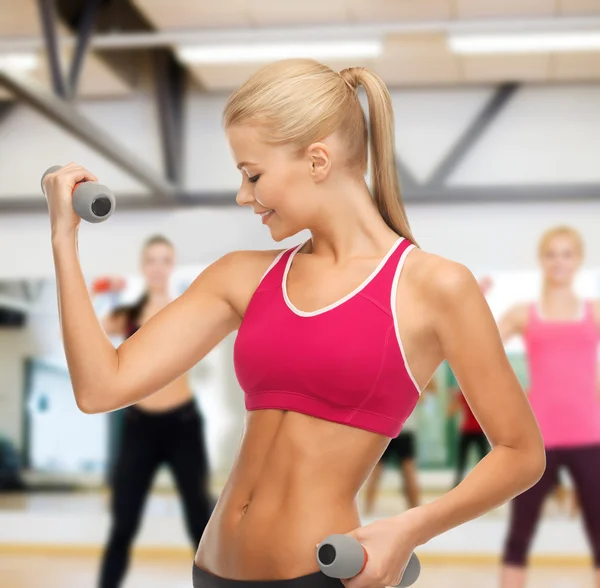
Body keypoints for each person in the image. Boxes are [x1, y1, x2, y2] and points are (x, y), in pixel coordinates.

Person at [43, 59, 545, 588]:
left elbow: (520, 452)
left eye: (252, 174)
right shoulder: (241, 277)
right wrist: (63, 240)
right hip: (211, 573)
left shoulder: (432, 288)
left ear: (318, 160)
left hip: (317, 576)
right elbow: (101, 387)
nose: (243, 195)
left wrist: (409, 529)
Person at [482, 226, 600, 588]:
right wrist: (475, 299)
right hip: (539, 439)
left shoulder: (594, 311)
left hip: (589, 436)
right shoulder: (523, 314)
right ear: (542, 260)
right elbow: (480, 346)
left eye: (567, 254)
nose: (559, 262)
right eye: (552, 254)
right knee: (518, 536)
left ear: (578, 260)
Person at [95, 235, 213, 588]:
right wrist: (99, 292)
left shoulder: (187, 308)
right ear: (143, 267)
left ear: (171, 265)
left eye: (165, 260)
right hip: (139, 426)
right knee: (123, 523)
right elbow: (84, 338)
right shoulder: (125, 315)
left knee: (200, 522)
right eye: (152, 260)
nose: (158, 267)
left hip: (183, 424)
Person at [447, 387, 489, 488]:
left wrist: (453, 398)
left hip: (469, 430)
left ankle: (456, 487)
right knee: (485, 461)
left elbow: (450, 412)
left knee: (462, 461)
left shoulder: (464, 392)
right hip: (478, 430)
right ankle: (486, 485)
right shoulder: (484, 393)